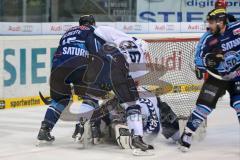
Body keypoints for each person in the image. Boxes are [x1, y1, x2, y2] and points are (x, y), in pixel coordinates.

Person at [178, 9, 240, 152]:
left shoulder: (236, 29)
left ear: (221, 22)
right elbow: (198, 59)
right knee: (203, 107)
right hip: (217, 77)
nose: (209, 25)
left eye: (212, 22)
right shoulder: (207, 38)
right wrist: (209, 61)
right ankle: (187, 134)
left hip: (237, 75)